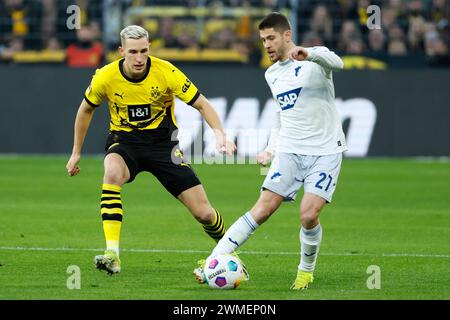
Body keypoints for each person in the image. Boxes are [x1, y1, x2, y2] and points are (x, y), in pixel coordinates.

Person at [193, 12, 347, 290]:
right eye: (263, 40)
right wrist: (270, 149)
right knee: (262, 209)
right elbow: (282, 115)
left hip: (325, 151)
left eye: (271, 38)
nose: (266, 45)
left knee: (308, 215)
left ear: (287, 35)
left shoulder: (316, 59)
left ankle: (306, 271)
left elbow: (339, 62)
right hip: (290, 150)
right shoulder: (272, 74)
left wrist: (309, 53)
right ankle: (212, 261)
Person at [66, 25, 236, 275]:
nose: (139, 58)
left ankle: (229, 253)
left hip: (163, 146)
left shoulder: (166, 71)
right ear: (121, 51)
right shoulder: (105, 76)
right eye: (133, 51)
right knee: (112, 171)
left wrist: (220, 134)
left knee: (204, 213)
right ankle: (112, 254)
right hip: (125, 143)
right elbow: (85, 110)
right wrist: (76, 152)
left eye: (144, 51)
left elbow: (202, 104)